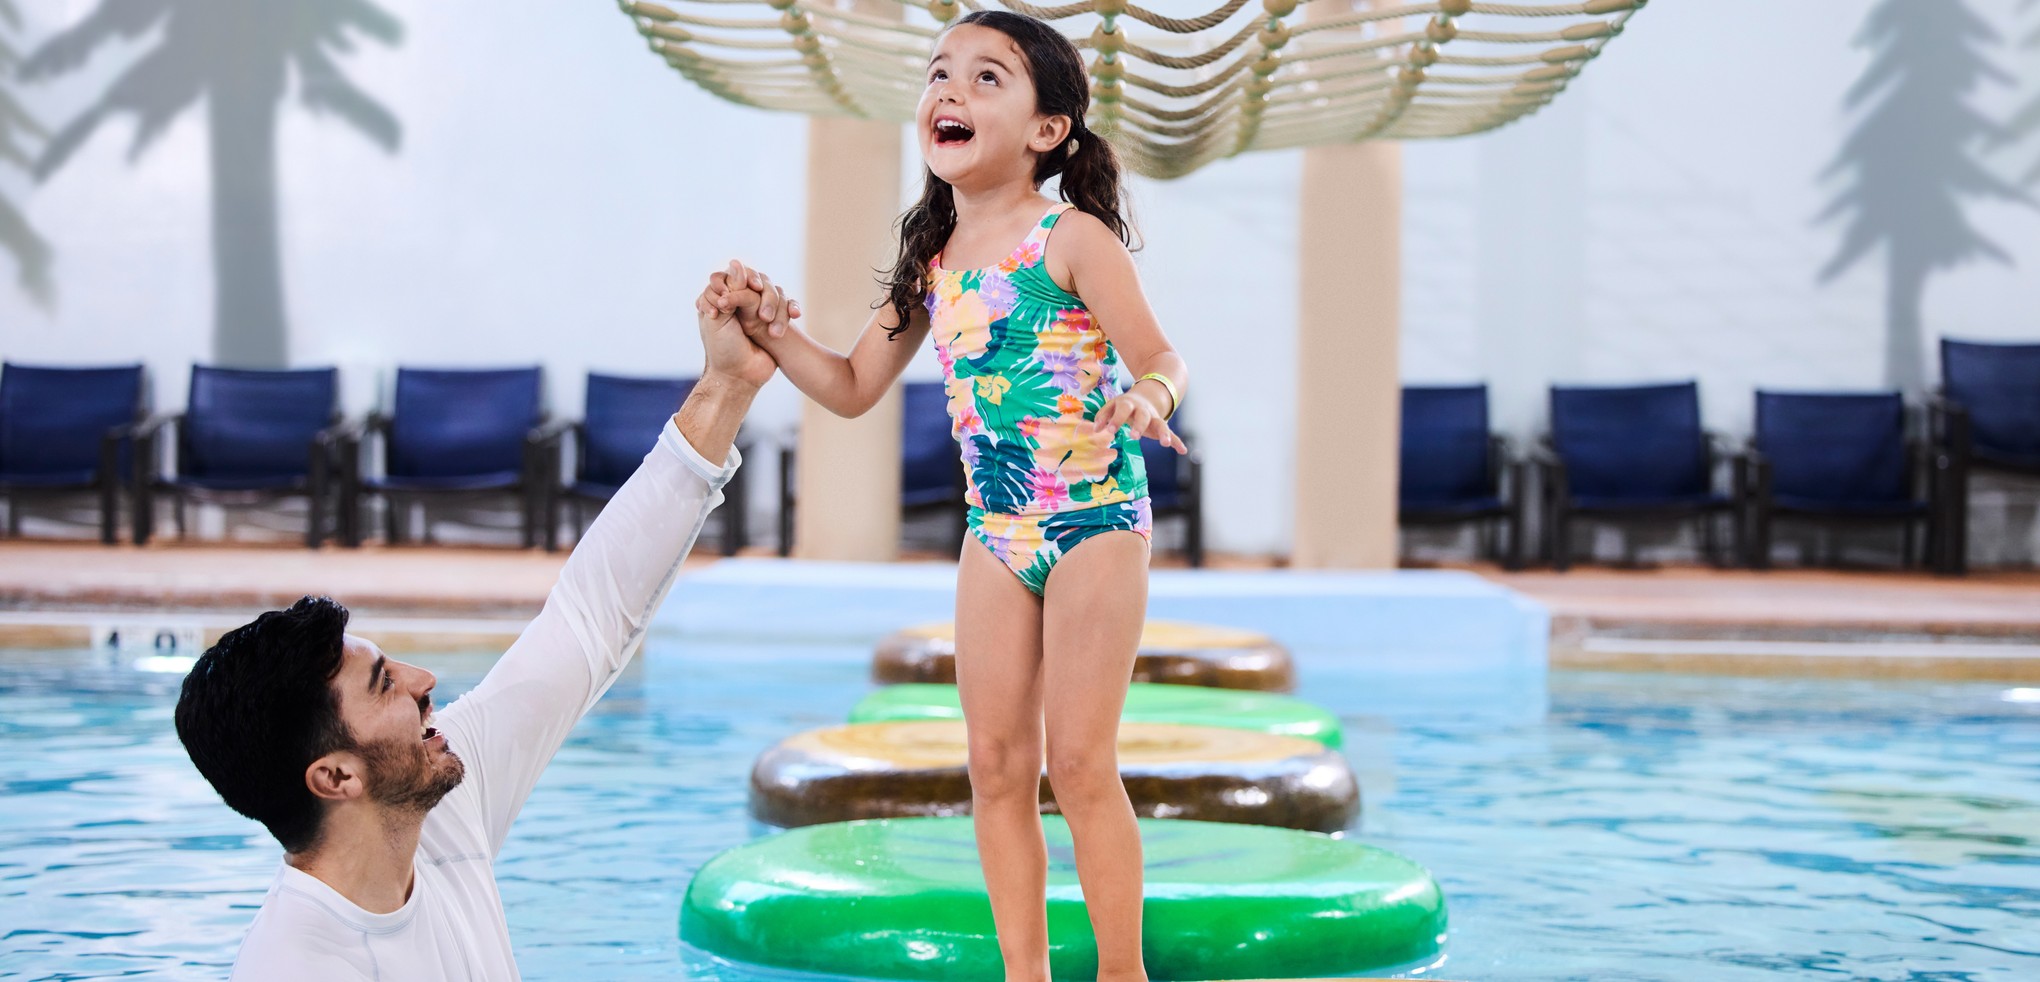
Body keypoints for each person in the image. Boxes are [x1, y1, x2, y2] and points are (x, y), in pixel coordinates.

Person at [708, 11, 1189, 981]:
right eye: (940, 74)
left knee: (1081, 764)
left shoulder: (1073, 238)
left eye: (985, 78)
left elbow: (1162, 354)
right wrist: (767, 328)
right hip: (997, 532)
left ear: (1047, 130)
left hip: (1095, 517)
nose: (950, 92)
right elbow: (848, 385)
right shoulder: (933, 259)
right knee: (998, 768)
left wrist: (1149, 395)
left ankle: (1122, 970)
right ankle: (1027, 972)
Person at [172, 278, 789, 980]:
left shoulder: (435, 815)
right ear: (336, 776)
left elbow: (590, 616)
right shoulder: (300, 966)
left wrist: (727, 386)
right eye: (384, 687)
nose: (424, 682)